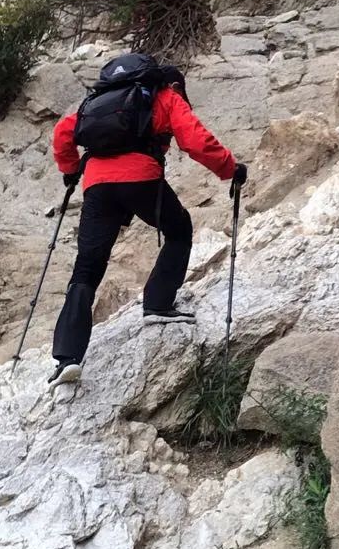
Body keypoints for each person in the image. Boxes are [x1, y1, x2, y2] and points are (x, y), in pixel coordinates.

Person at [49, 53, 247, 386]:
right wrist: (231, 169)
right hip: (141, 178)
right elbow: (196, 141)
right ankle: (157, 303)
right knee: (179, 229)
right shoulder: (163, 96)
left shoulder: (95, 101)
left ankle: (67, 358)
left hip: (97, 186)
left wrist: (70, 173)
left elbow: (62, 134)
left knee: (87, 267)